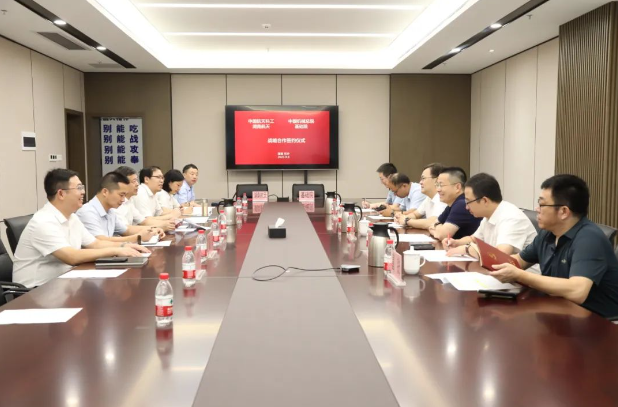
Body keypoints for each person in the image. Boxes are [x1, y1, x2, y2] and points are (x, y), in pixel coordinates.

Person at [490, 174, 618, 318]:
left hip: (600, 321)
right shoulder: (548, 233)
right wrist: (490, 260)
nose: (537, 209)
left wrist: (520, 275)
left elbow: (578, 291)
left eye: (542, 204)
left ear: (564, 212)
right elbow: (519, 261)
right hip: (560, 311)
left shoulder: (589, 239)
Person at [13, 169, 149, 287]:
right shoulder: (43, 221)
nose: (83, 192)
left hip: (64, 283)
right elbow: (71, 256)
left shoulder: (72, 217)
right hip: (36, 290)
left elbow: (95, 244)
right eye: (78, 188)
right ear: (61, 194)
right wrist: (116, 250)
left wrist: (125, 246)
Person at [442, 173, 537, 257]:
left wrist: (467, 249)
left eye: (468, 202)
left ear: (484, 201)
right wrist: (456, 243)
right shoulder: (489, 215)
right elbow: (474, 239)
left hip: (522, 271)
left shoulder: (511, 217)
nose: (466, 207)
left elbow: (500, 254)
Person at [77, 171, 164, 243]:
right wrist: (137, 238)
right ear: (105, 192)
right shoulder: (87, 212)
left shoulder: (110, 211)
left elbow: (127, 230)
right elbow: (100, 241)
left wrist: (152, 229)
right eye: (121, 195)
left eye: (125, 195)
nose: (123, 200)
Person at [115, 166, 176, 231]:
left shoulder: (129, 201)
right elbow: (126, 230)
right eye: (134, 181)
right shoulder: (140, 193)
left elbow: (143, 221)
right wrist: (158, 227)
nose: (137, 184)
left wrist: (164, 224)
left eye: (162, 178)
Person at [429, 167, 481, 240]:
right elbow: (432, 225)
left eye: (441, 185)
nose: (438, 189)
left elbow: (441, 235)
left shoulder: (462, 204)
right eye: (437, 185)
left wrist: (437, 228)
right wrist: (438, 228)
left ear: (457, 187)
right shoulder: (452, 204)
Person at [395, 163, 447, 229]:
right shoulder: (429, 198)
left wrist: (406, 221)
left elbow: (433, 222)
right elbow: (415, 214)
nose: (420, 182)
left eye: (423, 178)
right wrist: (402, 217)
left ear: (437, 180)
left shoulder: (443, 198)